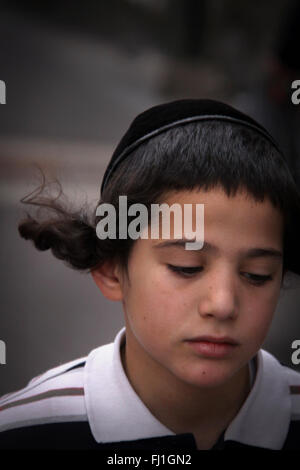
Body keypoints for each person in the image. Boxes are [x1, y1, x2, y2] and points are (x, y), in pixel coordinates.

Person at [0, 99, 300, 451]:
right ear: (111, 268)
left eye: (256, 274)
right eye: (186, 267)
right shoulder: (27, 432)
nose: (222, 303)